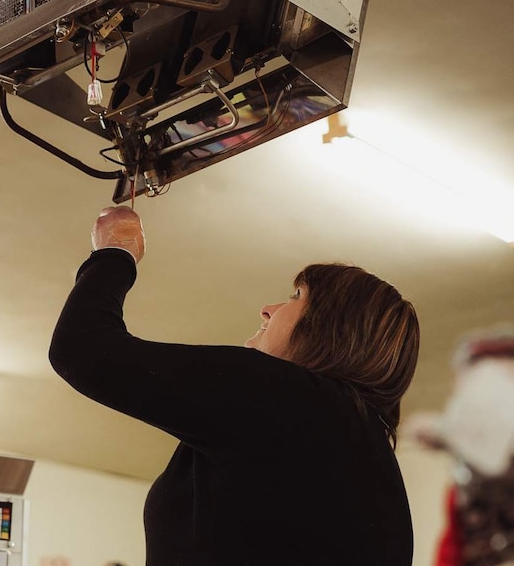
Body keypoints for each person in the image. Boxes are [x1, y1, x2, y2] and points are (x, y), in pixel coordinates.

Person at [49, 206, 421, 566]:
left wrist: (115, 252)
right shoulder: (364, 445)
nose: (268, 309)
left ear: (331, 327)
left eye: (297, 297)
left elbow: (83, 349)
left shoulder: (286, 400)